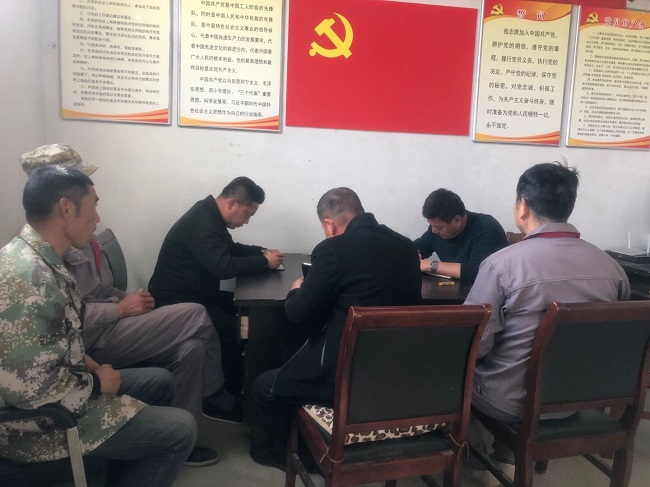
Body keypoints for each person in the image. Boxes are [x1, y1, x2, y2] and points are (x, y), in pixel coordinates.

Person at [19, 144, 241, 468]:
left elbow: (96, 290)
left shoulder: (76, 239)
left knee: (192, 348)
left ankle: (183, 439)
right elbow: (71, 322)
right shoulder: (41, 260)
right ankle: (217, 396)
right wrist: (121, 310)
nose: (95, 212)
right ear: (63, 201)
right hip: (96, 338)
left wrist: (125, 299)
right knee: (196, 313)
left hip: (108, 327)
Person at [0, 165, 196, 487]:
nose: (97, 217)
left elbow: (61, 342)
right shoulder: (30, 281)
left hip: (65, 391)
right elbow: (31, 394)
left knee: (161, 381)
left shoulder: (44, 260)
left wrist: (92, 367)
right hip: (37, 430)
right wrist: (96, 383)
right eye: (93, 206)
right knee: (181, 429)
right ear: (66, 209)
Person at [464, 162, 630, 486]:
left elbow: (473, 345)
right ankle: (507, 457)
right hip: (583, 396)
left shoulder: (501, 265)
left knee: (453, 375)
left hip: (513, 403)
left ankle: (480, 467)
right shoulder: (612, 268)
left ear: (523, 206)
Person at [249, 187, 422, 470]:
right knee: (293, 357)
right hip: (394, 373)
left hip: (344, 376)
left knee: (262, 387)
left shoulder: (332, 250)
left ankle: (300, 457)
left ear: (329, 224)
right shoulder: (406, 247)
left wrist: (297, 289)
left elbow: (298, 313)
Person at [148, 177, 284, 395]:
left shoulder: (209, 214)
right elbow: (224, 267)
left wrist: (262, 252)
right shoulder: (202, 222)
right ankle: (227, 395)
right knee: (235, 331)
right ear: (232, 203)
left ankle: (240, 384)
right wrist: (264, 262)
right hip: (176, 302)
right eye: (248, 214)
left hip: (198, 295)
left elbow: (230, 249)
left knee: (248, 312)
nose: (247, 221)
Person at [414, 188, 507, 283]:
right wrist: (416, 254)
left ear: (457, 220)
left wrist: (429, 265)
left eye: (438, 227)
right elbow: (414, 248)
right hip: (451, 290)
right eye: (431, 225)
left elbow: (478, 272)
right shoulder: (436, 230)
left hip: (482, 290)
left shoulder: (487, 228)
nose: (433, 230)